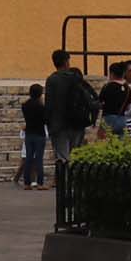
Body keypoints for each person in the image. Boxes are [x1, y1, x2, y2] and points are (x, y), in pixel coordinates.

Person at [42, 49, 98, 185]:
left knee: (62, 157)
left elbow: (49, 104)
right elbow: (90, 98)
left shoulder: (52, 80)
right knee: (74, 156)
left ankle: (64, 186)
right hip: (77, 123)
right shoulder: (75, 77)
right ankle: (74, 184)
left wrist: (47, 122)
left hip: (59, 124)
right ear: (66, 61)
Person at [16, 84, 48, 189]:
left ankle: (27, 183)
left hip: (29, 134)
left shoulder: (25, 105)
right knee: (39, 159)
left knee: (28, 158)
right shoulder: (41, 107)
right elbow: (45, 120)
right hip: (39, 133)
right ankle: (40, 183)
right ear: (40, 93)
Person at [98, 62, 131, 140]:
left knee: (104, 144)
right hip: (122, 119)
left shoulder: (107, 87)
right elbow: (128, 107)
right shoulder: (128, 88)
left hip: (108, 119)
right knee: (120, 146)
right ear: (123, 74)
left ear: (111, 73)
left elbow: (100, 102)